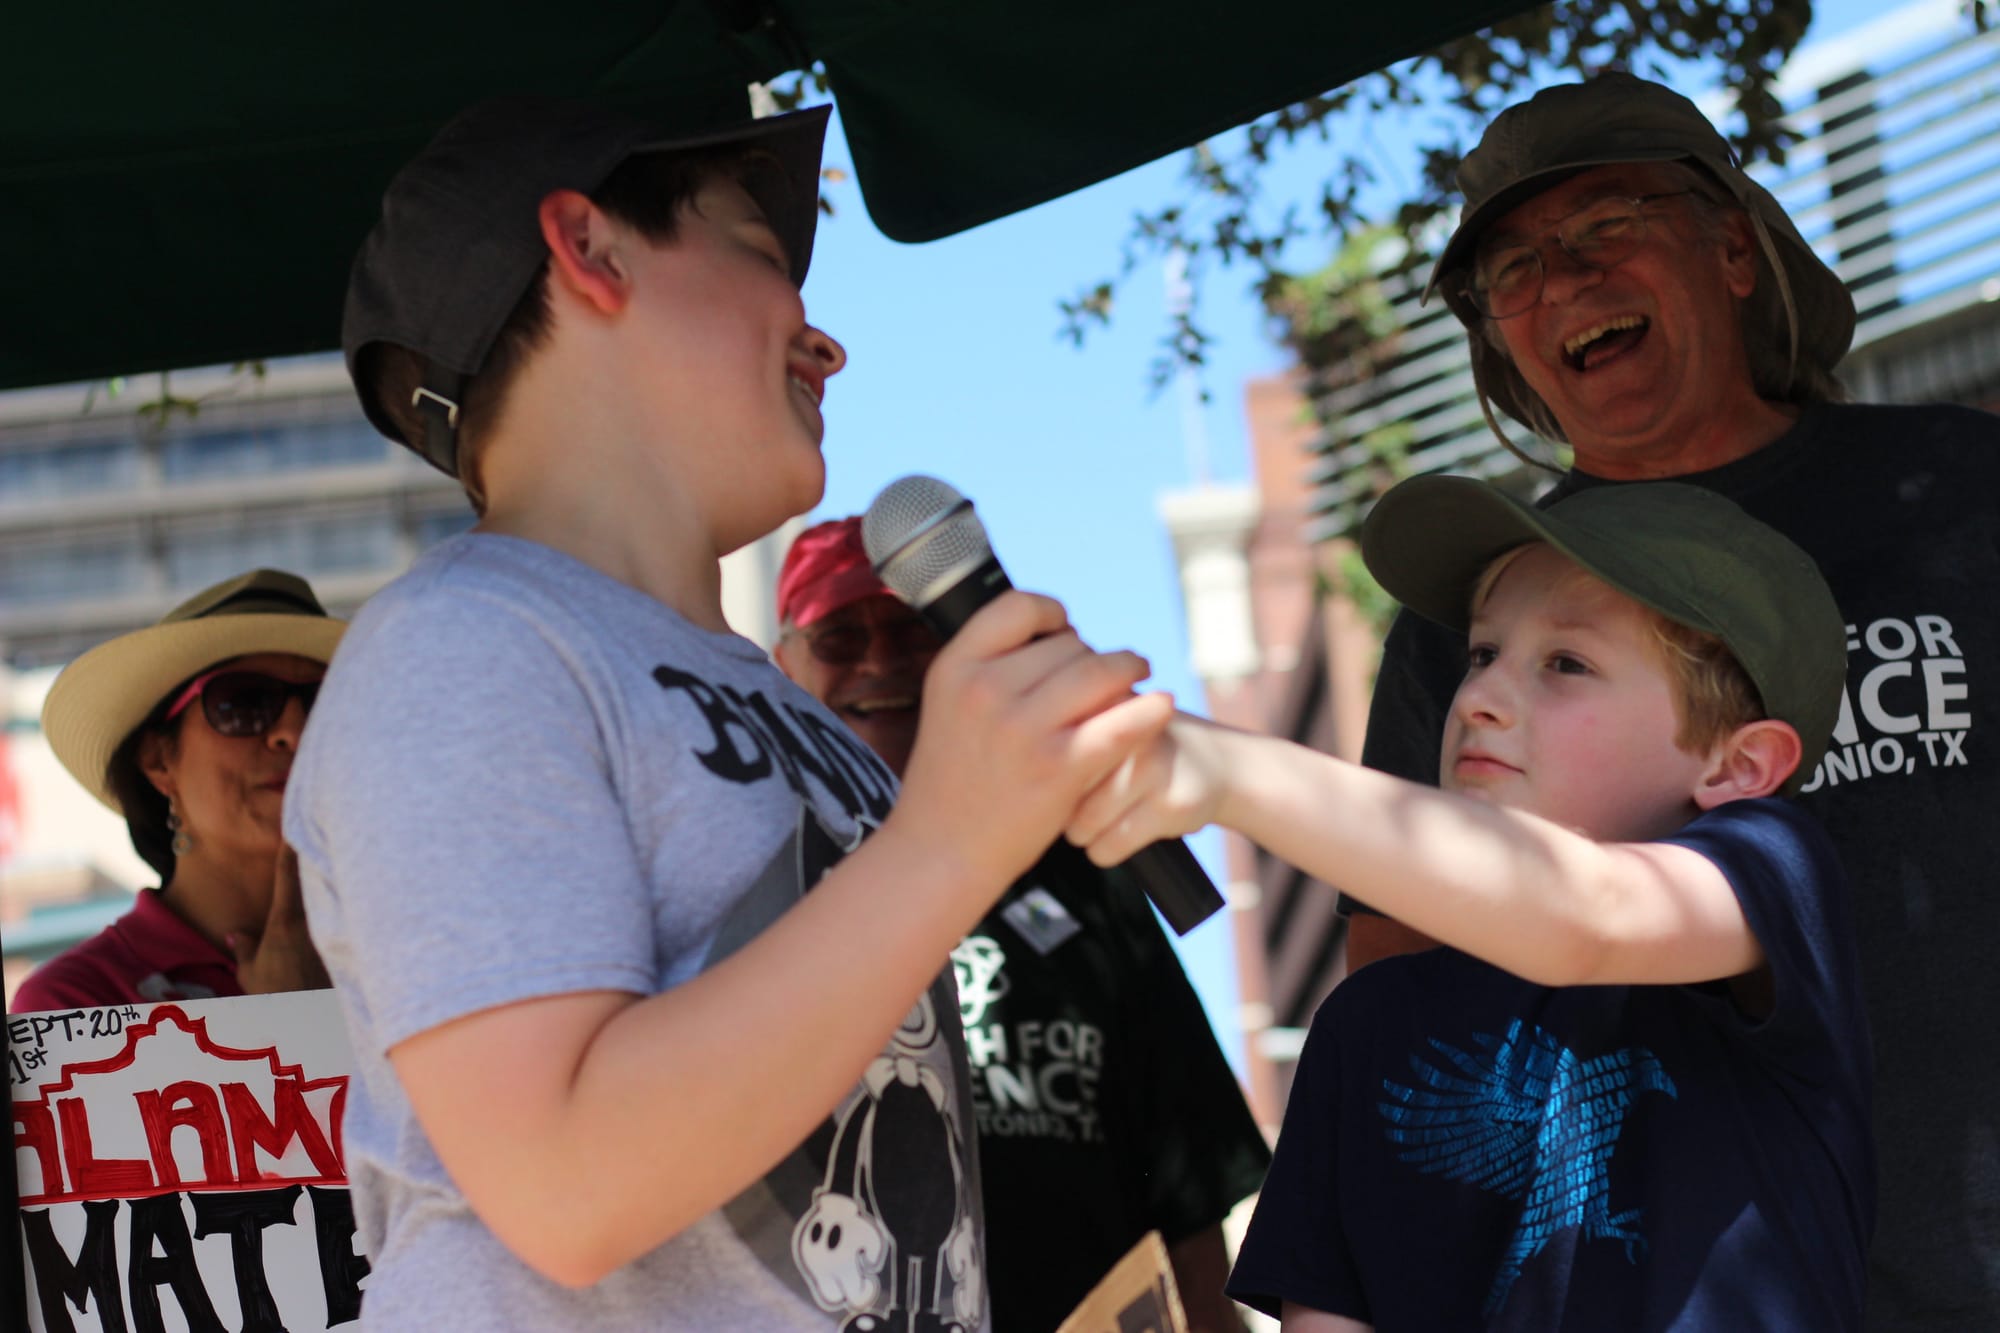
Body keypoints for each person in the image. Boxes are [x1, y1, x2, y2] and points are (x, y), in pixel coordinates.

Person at [285, 95, 1169, 1331]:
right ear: (588, 250)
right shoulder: (459, 643)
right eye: (757, 248)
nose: (826, 345)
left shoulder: (772, 699)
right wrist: (947, 842)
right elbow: (566, 1185)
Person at [1349, 71, 2000, 1328]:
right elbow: (1402, 996)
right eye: (1513, 269)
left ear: (1732, 251)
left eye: (1605, 225)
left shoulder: (1961, 486)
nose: (1562, 280)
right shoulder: (1463, 625)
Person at [1070, 475, 1870, 1329]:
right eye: (1483, 653)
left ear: (1737, 767)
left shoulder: (1773, 874)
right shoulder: (1363, 1024)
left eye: (1566, 663)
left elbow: (1587, 915)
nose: (1478, 697)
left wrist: (1228, 773)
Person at [771, 517, 1271, 1333]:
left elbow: (1189, 1183)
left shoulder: (1081, 864)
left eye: (910, 628)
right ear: (784, 667)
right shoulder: (763, 880)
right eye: (839, 637)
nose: (879, 659)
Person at [14, 569, 343, 1012]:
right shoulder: (75, 1002)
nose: (295, 732)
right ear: (158, 759)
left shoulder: (408, 950)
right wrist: (299, 1013)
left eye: (325, 701)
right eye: (243, 703)